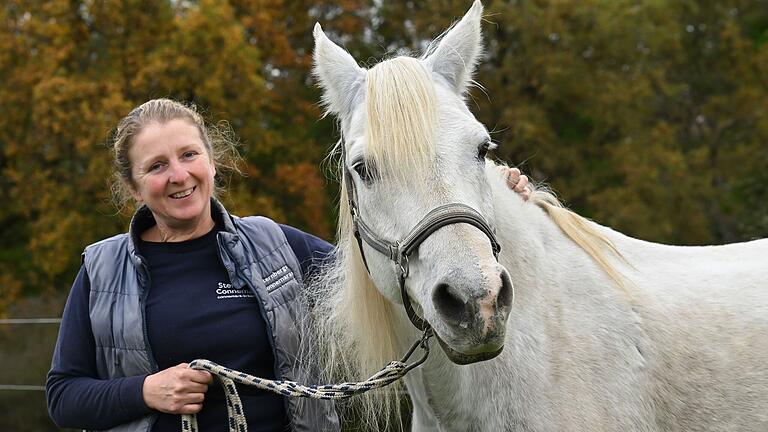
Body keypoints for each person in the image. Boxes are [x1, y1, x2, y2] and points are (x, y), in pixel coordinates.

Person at [45, 98, 531, 432]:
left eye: (189, 155)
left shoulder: (276, 245)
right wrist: (146, 391)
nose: (179, 175)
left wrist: (491, 196)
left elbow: (391, 281)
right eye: (156, 166)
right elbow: (63, 397)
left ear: (211, 162)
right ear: (133, 186)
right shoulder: (101, 271)